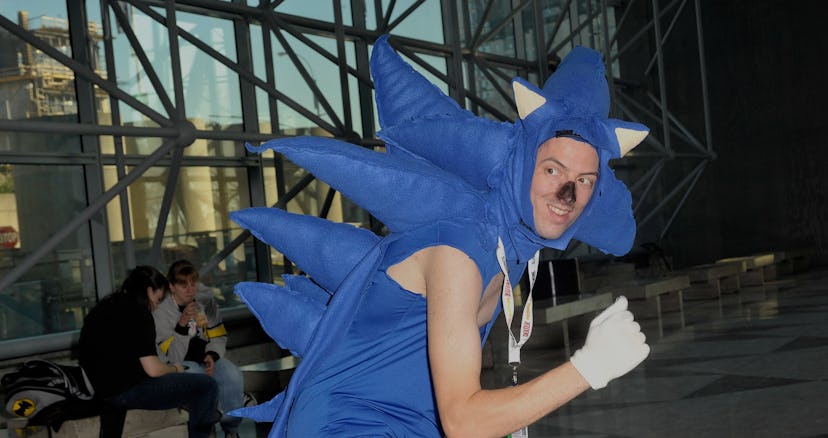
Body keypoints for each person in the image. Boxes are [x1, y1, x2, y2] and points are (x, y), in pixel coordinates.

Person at [229, 35, 651, 437]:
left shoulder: (508, 250)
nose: (567, 194)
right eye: (552, 170)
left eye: (584, 179)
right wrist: (589, 367)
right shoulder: (460, 252)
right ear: (523, 165)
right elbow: (463, 422)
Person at [78, 265, 218, 438]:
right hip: (125, 392)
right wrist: (175, 369)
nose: (156, 306)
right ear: (150, 291)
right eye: (158, 299)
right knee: (207, 386)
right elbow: (153, 370)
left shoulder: (104, 307)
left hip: (100, 391)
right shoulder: (140, 313)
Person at [153, 259, 245, 438]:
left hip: (204, 358)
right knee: (200, 379)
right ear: (171, 287)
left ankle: (231, 430)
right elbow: (170, 357)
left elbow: (218, 335)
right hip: (179, 363)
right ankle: (209, 426)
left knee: (233, 374)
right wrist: (181, 325)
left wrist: (212, 355)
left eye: (193, 283)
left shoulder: (205, 302)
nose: (190, 289)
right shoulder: (160, 312)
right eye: (183, 285)